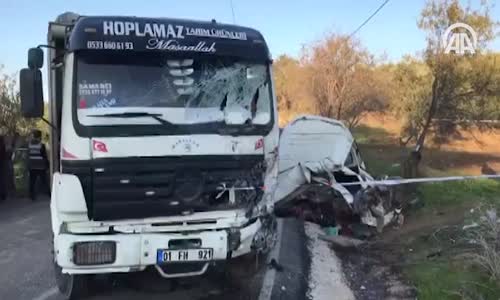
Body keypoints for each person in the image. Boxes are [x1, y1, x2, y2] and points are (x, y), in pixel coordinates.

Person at [28, 130, 49, 200]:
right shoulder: (41, 145)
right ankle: (49, 194)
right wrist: (47, 164)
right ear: (40, 136)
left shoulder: (29, 144)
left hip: (32, 165)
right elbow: (44, 156)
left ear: (33, 136)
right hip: (40, 166)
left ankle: (32, 196)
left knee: (32, 182)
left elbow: (27, 154)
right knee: (44, 181)